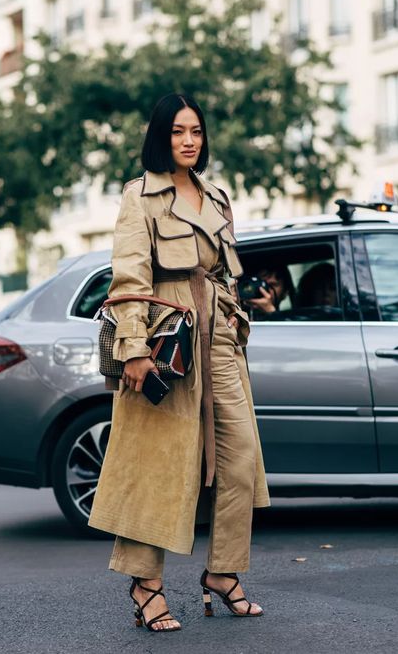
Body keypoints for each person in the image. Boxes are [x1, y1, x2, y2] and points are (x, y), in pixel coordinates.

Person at [88, 93, 270, 632]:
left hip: (218, 346)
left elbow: (223, 274)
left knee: (239, 462)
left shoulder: (216, 195)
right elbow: (129, 280)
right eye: (177, 131)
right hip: (168, 347)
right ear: (160, 137)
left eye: (196, 131)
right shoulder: (139, 197)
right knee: (157, 469)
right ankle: (146, 585)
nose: (189, 140)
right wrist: (135, 351)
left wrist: (242, 314)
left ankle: (223, 573)